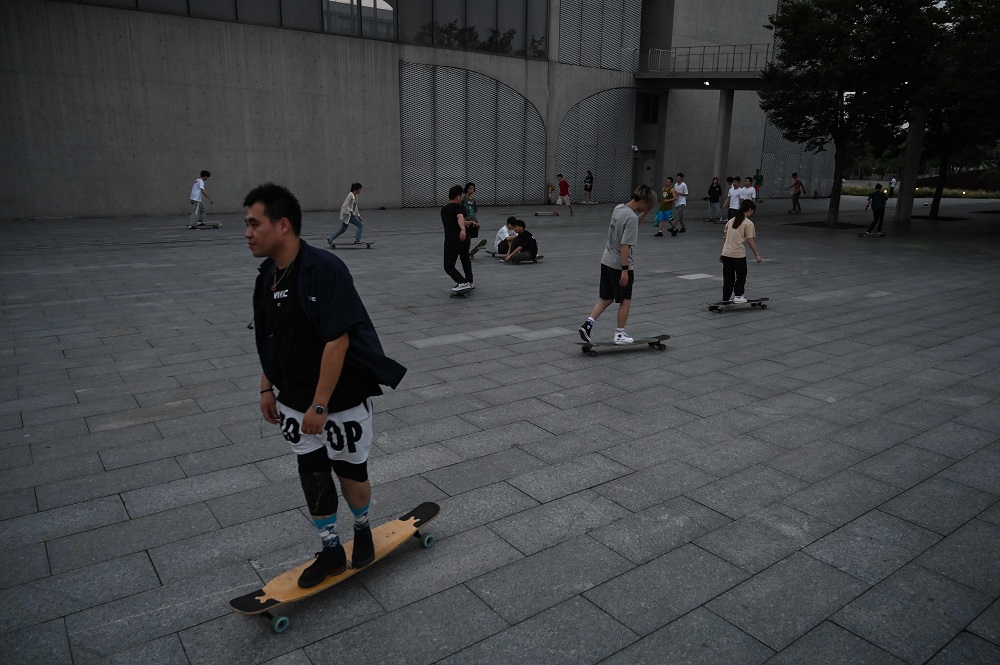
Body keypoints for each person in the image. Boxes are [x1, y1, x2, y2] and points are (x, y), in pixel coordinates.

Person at [245, 182, 406, 589]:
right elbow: (272, 338)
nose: (247, 232)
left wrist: (320, 406)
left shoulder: (325, 270)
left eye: (253, 223)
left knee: (351, 473)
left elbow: (339, 340)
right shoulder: (267, 277)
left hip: (341, 398)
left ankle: (363, 527)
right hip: (295, 399)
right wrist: (268, 387)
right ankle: (331, 548)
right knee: (313, 474)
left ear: (283, 225)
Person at [578, 185, 657, 345]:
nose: (648, 208)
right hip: (618, 264)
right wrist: (625, 270)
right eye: (648, 205)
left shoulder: (619, 208)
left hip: (606, 260)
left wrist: (645, 212)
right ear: (642, 201)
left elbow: (631, 226)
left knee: (606, 297)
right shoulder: (631, 218)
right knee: (625, 299)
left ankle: (588, 325)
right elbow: (624, 245)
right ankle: (619, 334)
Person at [719, 199, 763, 303]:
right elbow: (750, 241)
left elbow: (725, 238)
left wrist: (722, 252)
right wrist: (757, 255)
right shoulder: (748, 223)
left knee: (728, 278)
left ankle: (726, 298)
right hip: (738, 255)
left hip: (726, 253)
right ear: (750, 210)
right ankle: (738, 296)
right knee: (741, 275)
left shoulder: (731, 221)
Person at [442, 185, 474, 292]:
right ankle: (469, 282)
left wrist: (466, 226)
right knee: (465, 260)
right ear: (458, 197)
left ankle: (462, 282)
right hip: (463, 239)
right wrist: (463, 229)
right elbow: (460, 217)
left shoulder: (444, 209)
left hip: (451, 241)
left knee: (448, 266)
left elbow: (459, 219)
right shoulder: (460, 207)